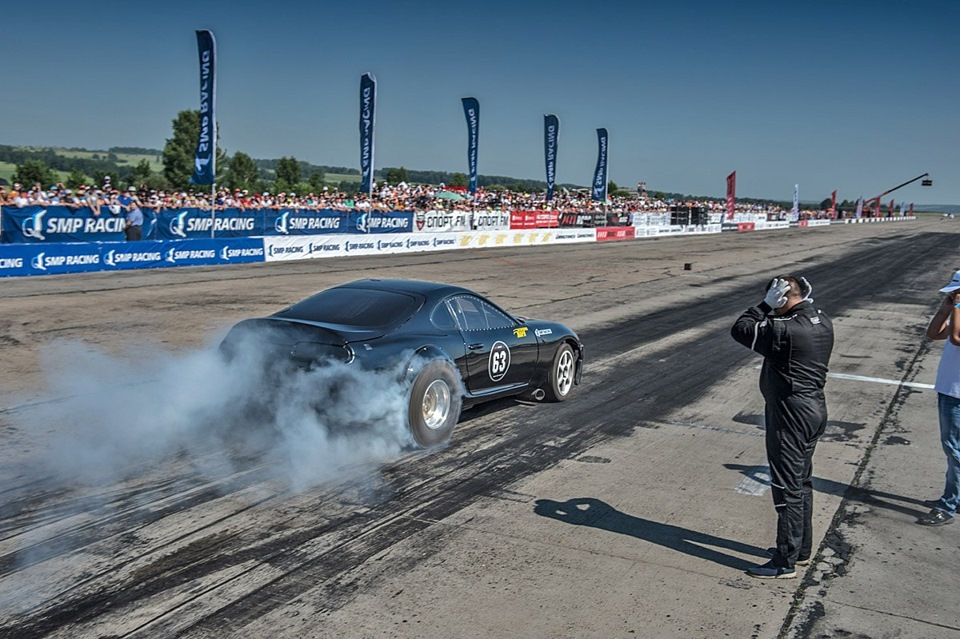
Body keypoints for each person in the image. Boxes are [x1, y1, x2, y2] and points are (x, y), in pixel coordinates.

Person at [730, 275, 834, 578]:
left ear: (782, 298)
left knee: (786, 488)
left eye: (777, 302)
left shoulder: (786, 329)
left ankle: (784, 562)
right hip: (813, 409)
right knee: (801, 482)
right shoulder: (821, 320)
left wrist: (763, 306)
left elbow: (741, 329)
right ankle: (800, 549)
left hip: (790, 415)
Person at [920, 271, 960, 526]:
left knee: (954, 450)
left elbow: (956, 338)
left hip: (957, 394)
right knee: (954, 449)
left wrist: (957, 307)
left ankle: (948, 505)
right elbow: (934, 333)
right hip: (949, 390)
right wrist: (946, 308)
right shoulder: (956, 312)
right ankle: (955, 497)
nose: (953, 296)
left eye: (956, 293)